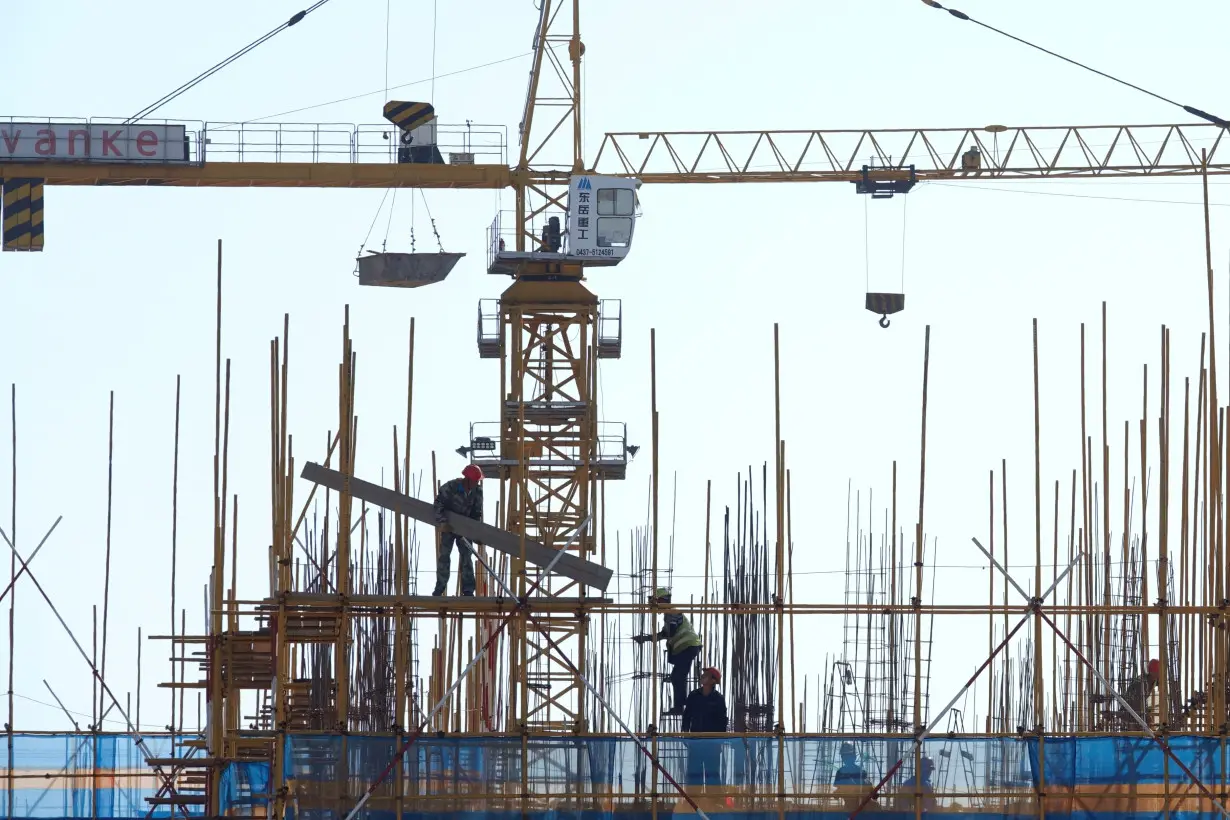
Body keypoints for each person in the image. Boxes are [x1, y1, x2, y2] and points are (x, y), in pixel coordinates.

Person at [632, 587, 702, 715]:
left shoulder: (673, 611)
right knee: (677, 677)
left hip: (688, 646)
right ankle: (680, 706)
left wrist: (651, 637)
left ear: (662, 600)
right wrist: (647, 638)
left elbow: (671, 631)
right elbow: (666, 633)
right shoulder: (669, 614)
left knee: (678, 677)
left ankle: (681, 706)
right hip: (688, 647)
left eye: (655, 602)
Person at [431, 464, 484, 597]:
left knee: (467, 557)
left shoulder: (477, 492)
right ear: (467, 479)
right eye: (475, 481)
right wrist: (442, 522)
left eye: (477, 481)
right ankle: (440, 588)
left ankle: (468, 590)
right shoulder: (451, 487)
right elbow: (438, 505)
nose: (476, 483)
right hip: (448, 525)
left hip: (464, 528)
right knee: (444, 556)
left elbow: (477, 514)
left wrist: (476, 533)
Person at [682, 667, 727, 787]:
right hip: (695, 742)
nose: (702, 677)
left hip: (712, 744)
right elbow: (687, 716)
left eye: (706, 675)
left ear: (713, 681)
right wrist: (685, 733)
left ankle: (714, 802)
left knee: (712, 774)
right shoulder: (694, 695)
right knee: (694, 774)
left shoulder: (718, 699)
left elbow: (723, 722)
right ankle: (693, 802)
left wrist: (719, 741)